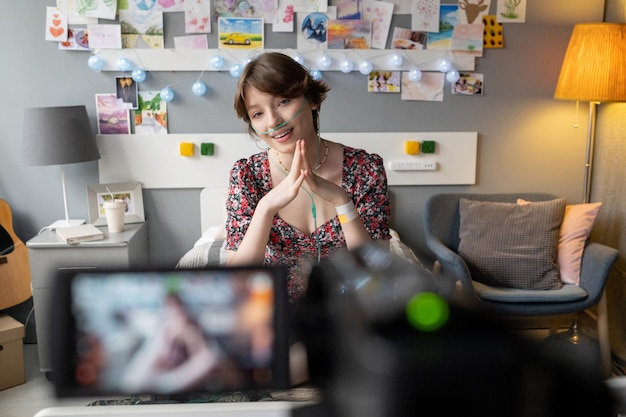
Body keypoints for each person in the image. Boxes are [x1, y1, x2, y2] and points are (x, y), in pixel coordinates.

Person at [226, 52, 391, 304]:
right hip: (274, 313)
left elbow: (376, 273)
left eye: (283, 101)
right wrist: (265, 208)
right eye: (257, 113)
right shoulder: (246, 176)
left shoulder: (365, 169)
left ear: (312, 99)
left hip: (348, 313)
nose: (273, 121)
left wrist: (342, 201)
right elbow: (235, 281)